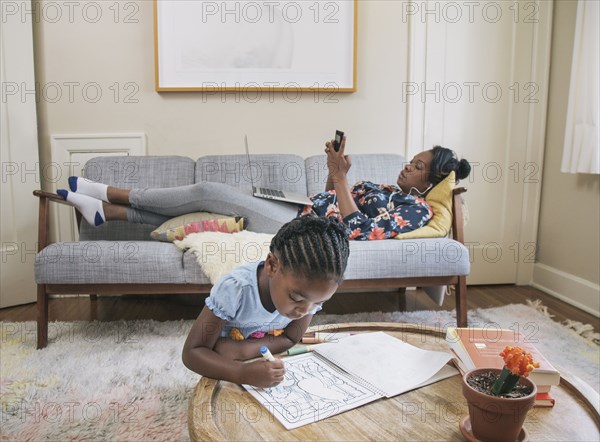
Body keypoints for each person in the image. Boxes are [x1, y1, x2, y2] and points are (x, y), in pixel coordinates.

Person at [57, 137, 471, 239]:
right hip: (301, 209)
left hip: (307, 230)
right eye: (411, 160)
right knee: (206, 209)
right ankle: (107, 213)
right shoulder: (388, 187)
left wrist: (342, 181)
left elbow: (357, 229)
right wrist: (335, 173)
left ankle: (112, 192)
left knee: (207, 190)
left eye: (417, 167)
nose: (407, 167)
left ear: (431, 182)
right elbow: (330, 197)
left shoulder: (418, 211)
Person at [181, 215, 350, 388]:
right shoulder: (236, 289)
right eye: (296, 298)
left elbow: (291, 338)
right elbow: (192, 352)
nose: (304, 311)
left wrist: (243, 350)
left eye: (318, 303)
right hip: (222, 366)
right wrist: (242, 372)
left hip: (253, 361)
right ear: (272, 265)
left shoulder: (310, 297)